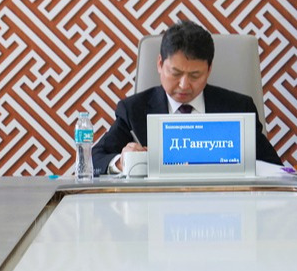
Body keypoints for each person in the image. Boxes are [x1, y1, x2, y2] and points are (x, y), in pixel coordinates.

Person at [91, 20, 281, 174]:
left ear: (209, 69)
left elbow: (274, 167)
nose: (184, 85)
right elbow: (95, 159)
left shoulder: (238, 108)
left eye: (195, 75)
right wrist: (121, 162)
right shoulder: (134, 110)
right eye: (176, 73)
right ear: (160, 64)